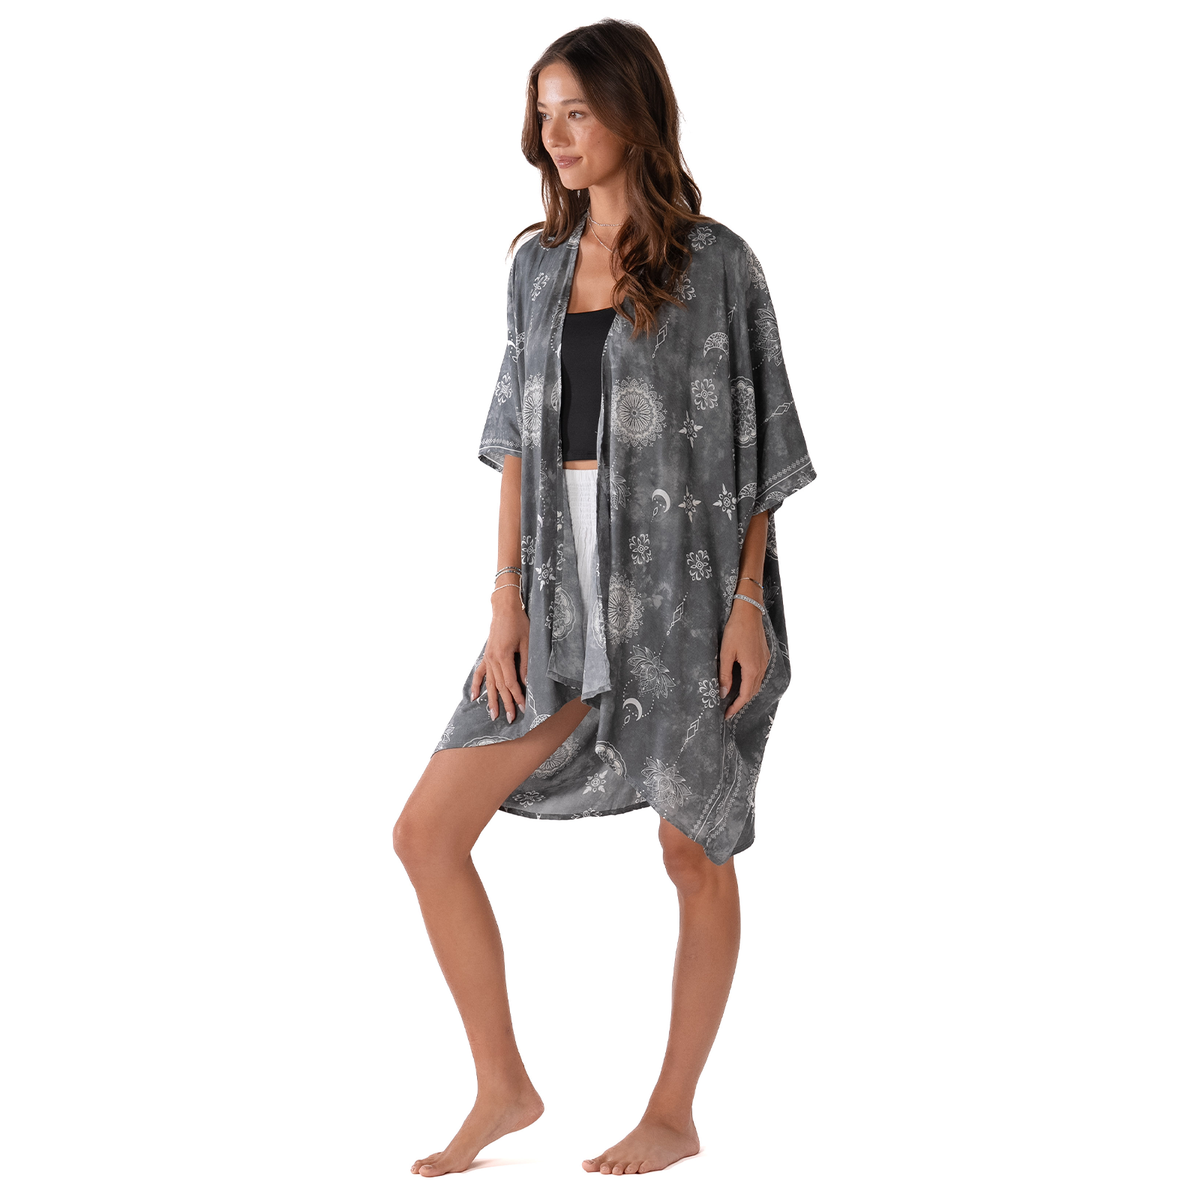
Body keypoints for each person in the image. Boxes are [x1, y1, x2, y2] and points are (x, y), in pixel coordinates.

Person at [393, 19, 817, 1178]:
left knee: (693, 849)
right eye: (545, 114)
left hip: (681, 588)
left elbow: (754, 444)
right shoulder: (535, 266)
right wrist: (505, 603)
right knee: (427, 833)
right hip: (556, 590)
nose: (556, 135)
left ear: (633, 111)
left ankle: (673, 1113)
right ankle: (503, 1087)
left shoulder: (718, 264)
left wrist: (748, 600)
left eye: (576, 111)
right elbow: (515, 443)